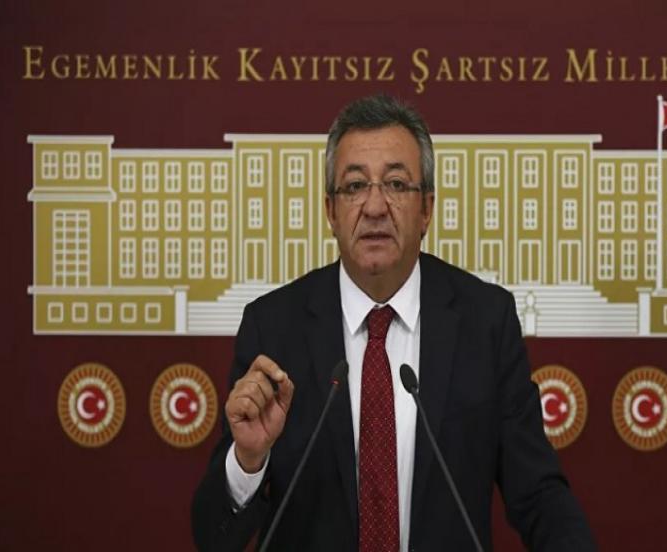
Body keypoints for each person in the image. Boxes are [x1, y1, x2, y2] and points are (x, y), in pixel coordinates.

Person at [192, 94, 595, 551]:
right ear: (330, 211)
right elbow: (212, 539)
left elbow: (539, 495)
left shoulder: (485, 322)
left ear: (427, 209)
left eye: (397, 184)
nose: (375, 206)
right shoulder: (273, 327)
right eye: (354, 186)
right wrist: (247, 461)